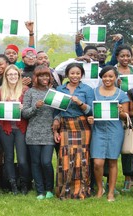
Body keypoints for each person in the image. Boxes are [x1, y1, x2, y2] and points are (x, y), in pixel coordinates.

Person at [52, 62, 94, 200]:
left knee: (81, 158)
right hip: (65, 126)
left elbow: (91, 111)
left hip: (82, 126)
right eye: (72, 73)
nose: (75, 76)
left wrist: (80, 103)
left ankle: (81, 190)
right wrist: (56, 127)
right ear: (67, 74)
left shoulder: (87, 89)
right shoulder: (60, 88)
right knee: (65, 157)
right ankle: (65, 190)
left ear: (81, 75)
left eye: (78, 73)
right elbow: (56, 112)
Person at [88, 65, 129, 202]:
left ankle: (111, 192)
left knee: (112, 161)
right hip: (98, 130)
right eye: (105, 76)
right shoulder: (94, 92)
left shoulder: (121, 94)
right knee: (98, 162)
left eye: (111, 76)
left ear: (115, 77)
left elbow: (126, 116)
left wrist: (121, 111)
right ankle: (100, 188)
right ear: (101, 77)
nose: (108, 79)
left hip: (114, 130)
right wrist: (91, 118)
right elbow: (90, 110)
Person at [22, 65, 55, 200]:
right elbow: (24, 113)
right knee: (35, 162)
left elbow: (59, 112)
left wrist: (57, 120)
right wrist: (35, 107)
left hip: (49, 132)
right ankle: (40, 191)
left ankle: (49, 189)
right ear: (36, 77)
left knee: (46, 162)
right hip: (33, 133)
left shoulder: (53, 92)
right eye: (41, 75)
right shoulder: (30, 92)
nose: (44, 78)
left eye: (46, 75)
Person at [0, 64, 30, 195]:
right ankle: (13, 184)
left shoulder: (25, 90)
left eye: (15, 74)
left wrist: (24, 108)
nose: (12, 77)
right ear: (5, 76)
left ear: (19, 76)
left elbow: (29, 108)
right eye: (10, 74)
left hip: (21, 127)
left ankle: (24, 183)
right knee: (9, 157)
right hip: (6, 128)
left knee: (22, 159)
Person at [114, 44, 133, 192]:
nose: (125, 58)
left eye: (128, 55)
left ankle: (129, 179)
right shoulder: (113, 71)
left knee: (130, 144)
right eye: (122, 56)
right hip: (118, 111)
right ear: (117, 57)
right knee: (117, 145)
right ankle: (111, 178)